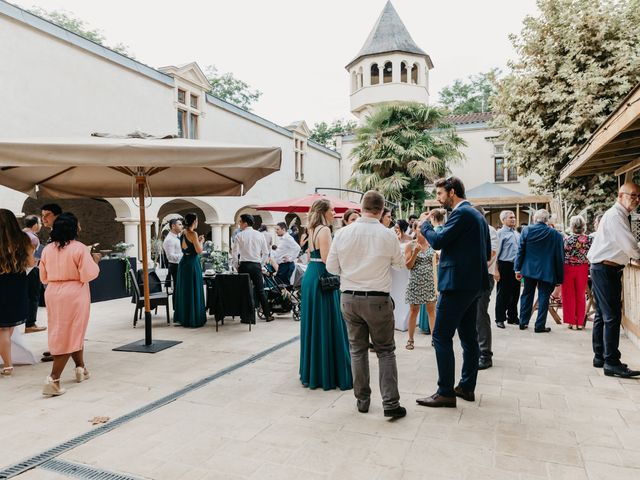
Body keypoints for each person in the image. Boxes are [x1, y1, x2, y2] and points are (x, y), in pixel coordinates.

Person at [327, 191, 406, 418]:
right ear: (381, 210)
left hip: (349, 297)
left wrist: (351, 270)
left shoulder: (342, 233)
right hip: (377, 299)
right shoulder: (387, 235)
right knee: (385, 351)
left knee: (357, 350)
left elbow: (331, 267)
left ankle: (362, 400)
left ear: (361, 207)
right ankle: (390, 403)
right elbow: (400, 265)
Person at [417, 177, 490, 408]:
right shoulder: (477, 215)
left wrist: (425, 226)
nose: (438, 199)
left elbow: (438, 241)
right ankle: (466, 387)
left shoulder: (462, 213)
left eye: (439, 193)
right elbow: (487, 252)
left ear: (452, 192)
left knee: (440, 335)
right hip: (472, 284)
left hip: (457, 284)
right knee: (469, 337)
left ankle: (445, 391)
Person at [39, 213, 99, 396]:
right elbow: (88, 274)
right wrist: (95, 260)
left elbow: (43, 275)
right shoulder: (79, 248)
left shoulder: (47, 249)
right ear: (73, 228)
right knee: (70, 333)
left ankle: (81, 367)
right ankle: (53, 379)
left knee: (67, 331)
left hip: (53, 291)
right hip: (74, 292)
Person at [588, 182, 640, 378]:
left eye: (638, 196)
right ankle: (611, 362)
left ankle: (600, 356)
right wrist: (638, 255)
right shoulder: (616, 215)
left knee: (603, 314)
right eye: (632, 195)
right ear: (620, 195)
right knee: (611, 316)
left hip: (603, 268)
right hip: (606, 268)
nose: (636, 200)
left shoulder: (617, 215)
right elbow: (629, 244)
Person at [300, 199, 352, 391]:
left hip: (311, 276)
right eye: (332, 210)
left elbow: (310, 255)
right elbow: (327, 259)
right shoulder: (324, 230)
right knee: (328, 322)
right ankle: (329, 372)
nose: (334, 213)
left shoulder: (311, 229)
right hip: (324, 277)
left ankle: (314, 371)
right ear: (323, 212)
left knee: (315, 323)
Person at [514, 209, 564, 333]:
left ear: (534, 219)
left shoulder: (526, 230)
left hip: (529, 270)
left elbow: (520, 251)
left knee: (526, 294)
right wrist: (559, 278)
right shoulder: (556, 235)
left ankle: (523, 322)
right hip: (547, 271)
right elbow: (559, 257)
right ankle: (539, 325)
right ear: (547, 220)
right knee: (544, 298)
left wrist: (517, 269)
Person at [0, 209, 36, 376]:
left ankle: (7, 364)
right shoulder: (23, 240)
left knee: (2, 329)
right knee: (8, 326)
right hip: (16, 284)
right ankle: (7, 361)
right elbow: (30, 263)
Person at [232, 214, 273, 322]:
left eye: (240, 222)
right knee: (260, 290)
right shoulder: (260, 235)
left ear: (245, 223)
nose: (239, 224)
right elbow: (266, 252)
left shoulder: (239, 236)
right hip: (256, 265)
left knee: (244, 291)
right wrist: (261, 264)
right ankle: (268, 315)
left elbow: (234, 253)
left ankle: (245, 317)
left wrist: (236, 265)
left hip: (244, 265)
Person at [473, 206, 500, 370]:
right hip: (471, 278)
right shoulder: (472, 229)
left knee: (480, 314)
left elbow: (491, 255)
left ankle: (485, 354)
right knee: (473, 315)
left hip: (484, 277)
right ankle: (476, 350)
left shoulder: (490, 231)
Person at [404, 223, 436, 350]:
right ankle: (410, 339)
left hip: (429, 282)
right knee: (413, 311)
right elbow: (408, 266)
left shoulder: (432, 245)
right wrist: (415, 253)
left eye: (424, 228)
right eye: (419, 228)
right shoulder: (410, 245)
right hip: (415, 282)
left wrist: (437, 258)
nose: (422, 230)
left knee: (431, 311)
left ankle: (435, 339)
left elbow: (436, 263)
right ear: (414, 229)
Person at [173, 213, 206, 328]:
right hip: (192, 263)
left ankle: (183, 317)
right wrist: (201, 241)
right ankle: (194, 318)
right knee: (194, 288)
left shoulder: (183, 232)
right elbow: (199, 250)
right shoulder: (193, 233)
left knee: (185, 290)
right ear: (194, 221)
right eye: (197, 220)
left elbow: (186, 246)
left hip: (183, 263)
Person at [39, 203, 62, 363]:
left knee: (59, 317)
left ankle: (60, 350)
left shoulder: (61, 235)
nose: (43, 218)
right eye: (42, 215)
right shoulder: (54, 234)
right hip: (53, 282)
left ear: (56, 216)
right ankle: (56, 347)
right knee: (54, 317)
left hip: (58, 282)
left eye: (47, 215)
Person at [562, 216, 593, 331]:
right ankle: (580, 322)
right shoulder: (589, 239)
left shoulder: (566, 239)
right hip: (583, 268)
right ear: (584, 226)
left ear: (572, 226)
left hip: (568, 268)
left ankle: (572, 322)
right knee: (580, 295)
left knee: (568, 295)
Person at [495, 210, 521, 329]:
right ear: (503, 220)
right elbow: (496, 254)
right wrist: (496, 270)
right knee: (503, 294)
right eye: (510, 217)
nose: (513, 219)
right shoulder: (500, 233)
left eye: (514, 217)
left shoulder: (516, 233)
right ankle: (500, 318)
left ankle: (513, 317)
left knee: (515, 293)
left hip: (516, 267)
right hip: (504, 265)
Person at [22, 215, 46, 333]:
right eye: (40, 223)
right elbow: (34, 258)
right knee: (34, 296)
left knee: (23, 296)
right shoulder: (33, 238)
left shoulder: (19, 234)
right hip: (31, 269)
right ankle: (30, 324)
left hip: (19, 269)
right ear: (35, 225)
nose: (41, 225)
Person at [390, 219, 413, 331]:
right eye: (395, 227)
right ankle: (395, 318)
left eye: (397, 227)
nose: (395, 229)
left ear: (403, 227)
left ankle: (404, 319)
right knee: (395, 291)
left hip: (405, 269)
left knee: (403, 291)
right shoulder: (393, 238)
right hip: (394, 269)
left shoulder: (410, 239)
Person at [162, 218, 183, 309]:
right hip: (175, 266)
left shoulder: (177, 237)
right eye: (180, 224)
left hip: (180, 265)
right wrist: (185, 254)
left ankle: (180, 308)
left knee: (180, 288)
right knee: (177, 288)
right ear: (173, 226)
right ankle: (176, 309)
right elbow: (170, 257)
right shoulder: (169, 239)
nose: (182, 226)